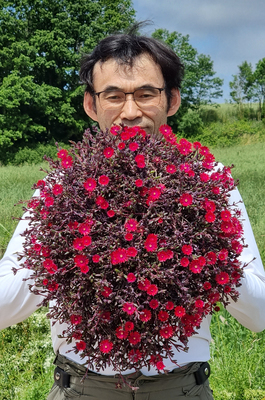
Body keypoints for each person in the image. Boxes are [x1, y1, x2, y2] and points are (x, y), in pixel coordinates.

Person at [1, 26, 265, 400]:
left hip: (182, 390)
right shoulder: (61, 189)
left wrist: (213, 259)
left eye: (146, 94)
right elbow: (5, 305)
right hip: (81, 390)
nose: (130, 112)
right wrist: (57, 252)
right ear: (91, 104)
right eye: (113, 95)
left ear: (171, 100)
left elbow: (259, 315)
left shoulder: (210, 184)